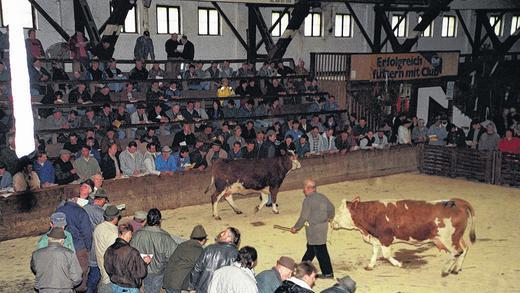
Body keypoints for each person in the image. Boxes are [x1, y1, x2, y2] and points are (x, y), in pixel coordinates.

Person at [290, 179, 335, 279]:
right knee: (311, 248)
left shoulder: (308, 200)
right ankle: (302, 266)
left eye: (304, 187)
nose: (303, 190)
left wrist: (296, 227)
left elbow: (303, 217)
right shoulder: (323, 197)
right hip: (323, 227)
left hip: (314, 230)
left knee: (320, 251)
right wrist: (329, 218)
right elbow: (331, 208)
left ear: (309, 188)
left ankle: (328, 273)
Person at [56, 180, 95, 292]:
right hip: (79, 248)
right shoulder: (80, 212)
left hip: (64, 246)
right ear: (76, 198)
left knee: (66, 272)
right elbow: (87, 233)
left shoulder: (59, 210)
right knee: (81, 274)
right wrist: (87, 248)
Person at [130, 208, 178, 293]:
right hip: (159, 271)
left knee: (147, 287)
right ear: (159, 221)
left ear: (147, 219)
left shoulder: (137, 235)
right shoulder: (165, 237)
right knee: (155, 288)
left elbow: (131, 252)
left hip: (144, 270)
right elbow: (173, 256)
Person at [185, 227, 241, 293]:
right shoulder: (237, 255)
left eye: (224, 233)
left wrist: (191, 288)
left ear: (229, 238)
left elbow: (197, 269)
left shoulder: (209, 249)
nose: (221, 234)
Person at [31, 228, 83, 293]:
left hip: (44, 290)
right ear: (62, 240)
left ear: (49, 239)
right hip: (65, 290)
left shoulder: (36, 254)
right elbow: (77, 277)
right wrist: (67, 285)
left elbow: (35, 269)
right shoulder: (69, 254)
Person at [105, 223, 149, 293]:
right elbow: (141, 273)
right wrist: (145, 263)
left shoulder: (109, 249)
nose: (131, 237)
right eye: (131, 234)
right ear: (128, 233)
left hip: (115, 286)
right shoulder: (132, 252)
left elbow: (107, 267)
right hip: (129, 288)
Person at [163, 225, 208, 293]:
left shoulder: (182, 245)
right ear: (204, 240)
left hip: (168, 281)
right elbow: (199, 272)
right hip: (178, 285)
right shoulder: (199, 251)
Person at [93, 206, 121, 293]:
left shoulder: (98, 228)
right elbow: (114, 256)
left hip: (101, 265)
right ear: (115, 218)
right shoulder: (114, 233)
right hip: (110, 273)